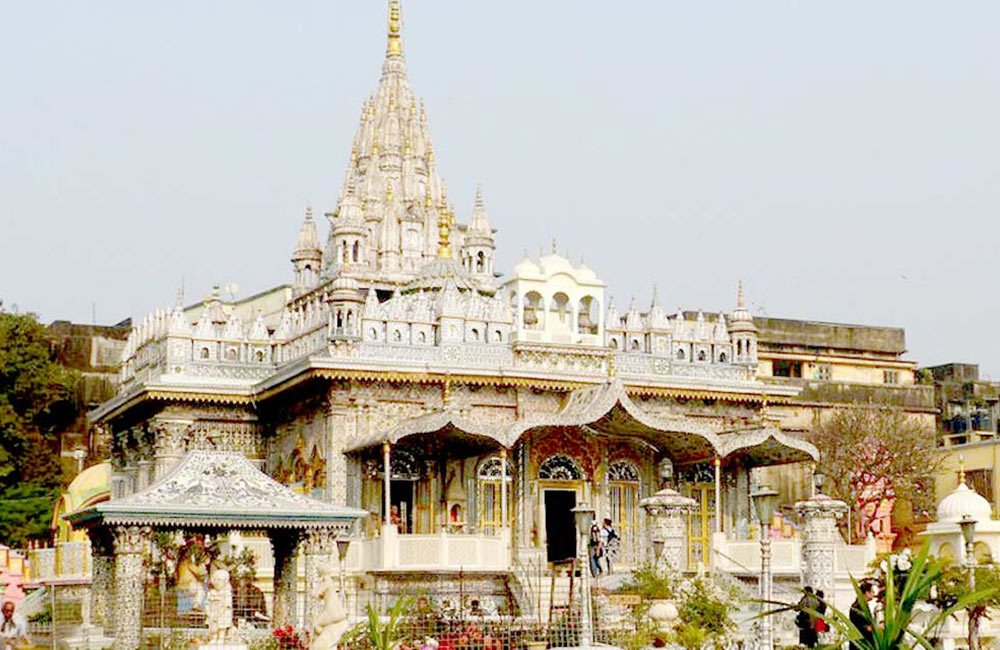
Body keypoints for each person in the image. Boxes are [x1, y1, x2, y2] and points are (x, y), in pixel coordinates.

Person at [849, 581, 876, 650]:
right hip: (859, 644)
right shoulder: (857, 607)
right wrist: (869, 628)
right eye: (872, 591)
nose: (874, 593)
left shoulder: (863, 606)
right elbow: (858, 626)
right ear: (867, 592)